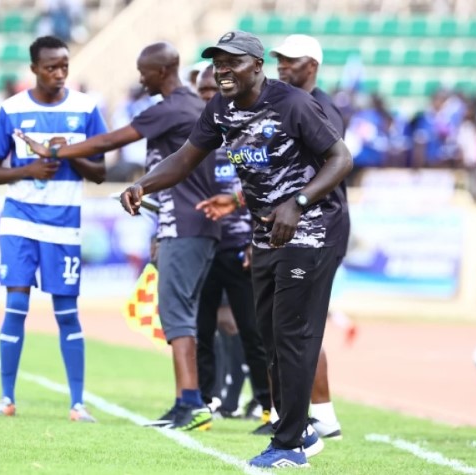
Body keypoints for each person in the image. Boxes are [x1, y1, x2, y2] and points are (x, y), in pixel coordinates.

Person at [119, 31, 353, 468]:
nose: (223, 69)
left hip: (310, 230)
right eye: (218, 62)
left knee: (292, 335)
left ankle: (289, 446)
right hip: (265, 232)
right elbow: (187, 157)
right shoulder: (220, 108)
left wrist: (298, 203)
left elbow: (341, 159)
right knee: (267, 336)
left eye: (233, 62)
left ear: (257, 66)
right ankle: (299, 428)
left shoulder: (293, 103)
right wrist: (142, 183)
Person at [15, 42, 220, 431]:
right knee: (178, 312)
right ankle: (185, 403)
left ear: (161, 71)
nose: (140, 77)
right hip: (185, 224)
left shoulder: (174, 107)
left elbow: (112, 141)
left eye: (144, 71)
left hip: (186, 224)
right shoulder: (191, 107)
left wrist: (56, 152)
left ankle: (191, 404)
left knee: (176, 314)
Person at [0, 35, 107, 422]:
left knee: (67, 312)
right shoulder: (12, 109)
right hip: (19, 220)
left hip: (64, 225)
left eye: (64, 66)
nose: (59, 74)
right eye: (51, 67)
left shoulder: (86, 109)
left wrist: (65, 152)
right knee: (16, 305)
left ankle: (77, 403)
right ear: (34, 68)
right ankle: (6, 398)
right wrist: (29, 169)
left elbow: (101, 172)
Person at [267, 33, 348, 441]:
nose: (282, 66)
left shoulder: (321, 108)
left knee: (300, 326)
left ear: (312, 65)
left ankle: (322, 417)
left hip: (320, 227)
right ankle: (308, 414)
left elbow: (335, 164)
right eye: (279, 59)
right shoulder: (290, 104)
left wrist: (296, 202)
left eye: (291, 60)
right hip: (297, 227)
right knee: (291, 326)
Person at [192, 65, 272, 426]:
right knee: (202, 331)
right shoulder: (195, 141)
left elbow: (262, 191)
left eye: (213, 88)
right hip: (204, 247)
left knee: (252, 332)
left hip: (240, 247)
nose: (208, 95)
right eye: (202, 91)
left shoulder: (245, 135)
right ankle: (204, 403)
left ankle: (268, 405)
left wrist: (257, 239)